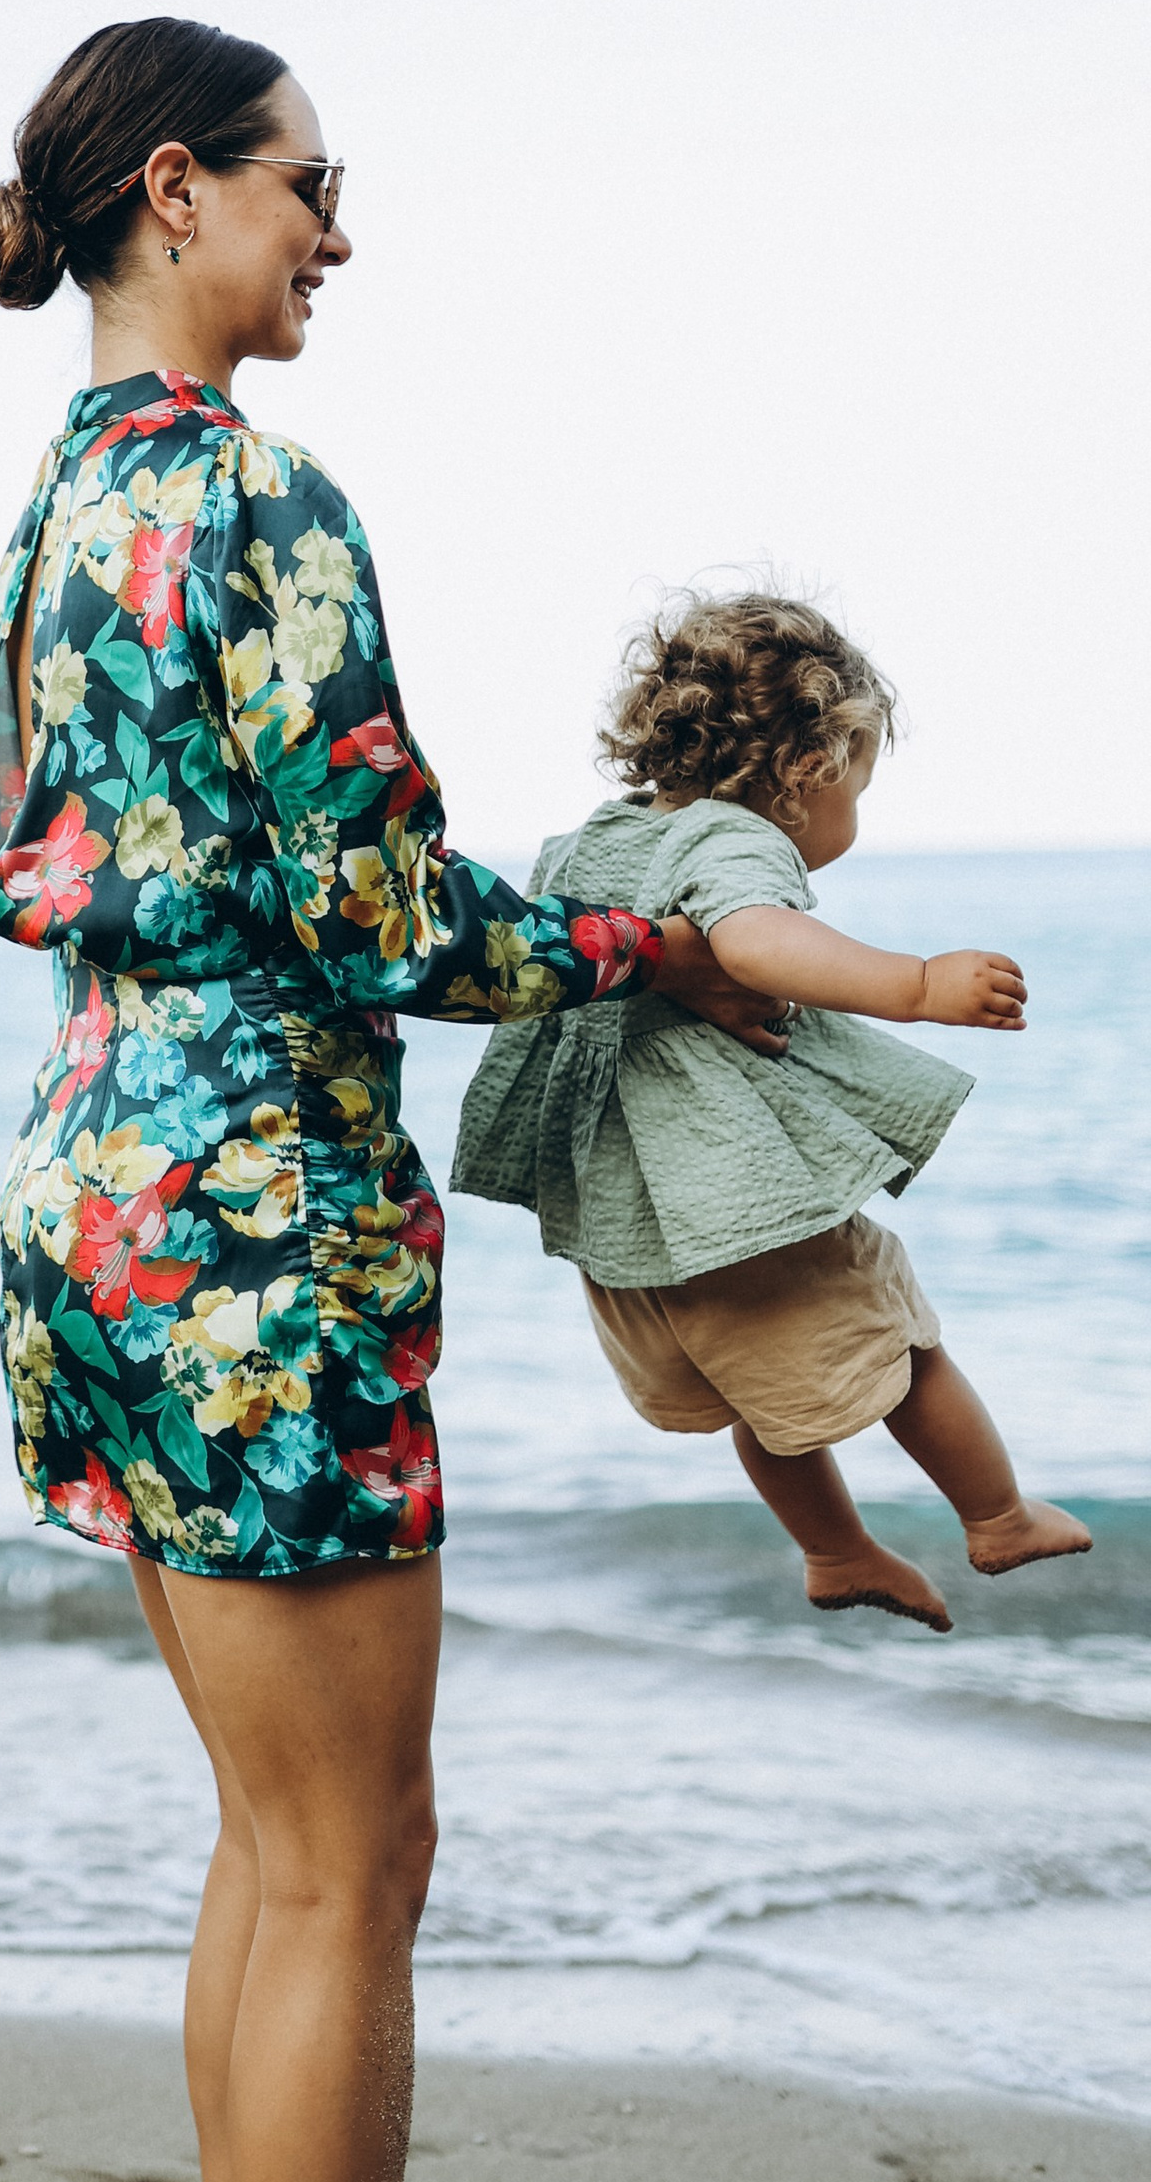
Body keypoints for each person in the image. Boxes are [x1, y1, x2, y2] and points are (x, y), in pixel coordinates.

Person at [0, 17, 786, 2182]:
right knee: (348, 1858)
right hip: (254, 1225)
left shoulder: (52, 508)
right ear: (175, 190)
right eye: (314, 183)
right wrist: (672, 937)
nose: (337, 228)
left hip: (87, 1178)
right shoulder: (255, 491)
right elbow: (396, 917)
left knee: (268, 1836)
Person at [451, 591, 1090, 1631]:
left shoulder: (586, 842)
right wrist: (918, 985)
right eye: (858, 783)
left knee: (765, 1394)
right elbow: (751, 938)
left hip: (627, 1222)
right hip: (732, 1195)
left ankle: (834, 1551)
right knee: (900, 1338)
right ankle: (998, 1516)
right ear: (808, 770)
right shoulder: (735, 841)